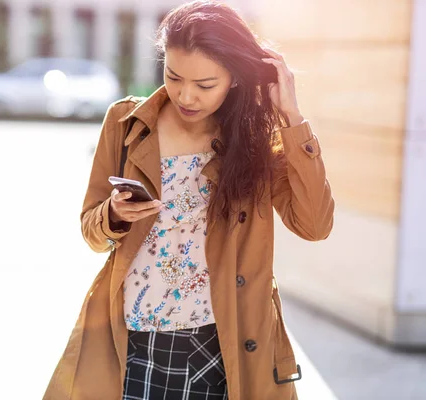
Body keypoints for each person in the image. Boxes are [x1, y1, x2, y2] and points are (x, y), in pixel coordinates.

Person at [44, 1, 334, 399]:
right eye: (173, 76)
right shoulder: (126, 124)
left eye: (204, 85)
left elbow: (314, 225)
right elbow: (91, 233)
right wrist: (113, 213)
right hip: (134, 339)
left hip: (220, 344)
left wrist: (292, 119)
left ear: (235, 78)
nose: (186, 95)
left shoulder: (257, 141)